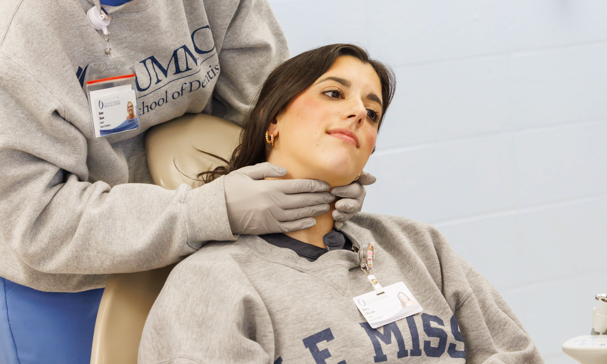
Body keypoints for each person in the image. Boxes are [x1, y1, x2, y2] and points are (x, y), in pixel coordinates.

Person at [0, 0, 371, 364]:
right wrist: (209, 210)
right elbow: (35, 218)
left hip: (198, 252)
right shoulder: (23, 19)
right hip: (65, 284)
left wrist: (315, 174)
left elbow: (267, 105)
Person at [139, 44, 542, 364]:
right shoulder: (215, 279)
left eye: (373, 112)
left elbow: (514, 353)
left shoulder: (418, 247)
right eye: (334, 93)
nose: (358, 114)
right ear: (271, 118)